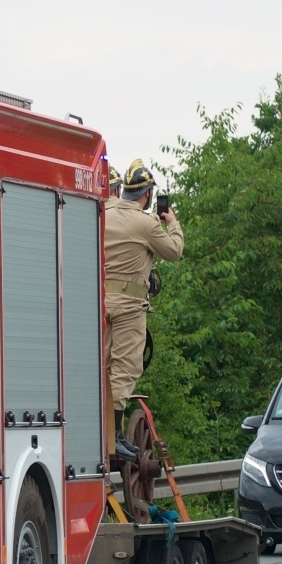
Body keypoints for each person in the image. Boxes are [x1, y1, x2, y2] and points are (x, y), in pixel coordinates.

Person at [103, 159, 183, 459]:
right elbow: (174, 251)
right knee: (125, 368)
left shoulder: (102, 213)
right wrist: (171, 222)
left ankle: (99, 431)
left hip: (99, 302)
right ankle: (115, 437)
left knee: (101, 368)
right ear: (147, 195)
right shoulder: (147, 223)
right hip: (128, 306)